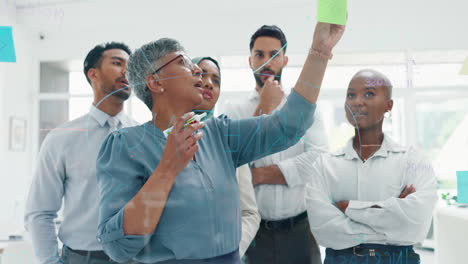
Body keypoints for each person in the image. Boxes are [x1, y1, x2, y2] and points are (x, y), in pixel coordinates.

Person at [96, 22, 345, 264]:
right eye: (183, 63)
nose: (197, 71)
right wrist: (167, 169)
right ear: (155, 82)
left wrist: (320, 52)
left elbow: (289, 126)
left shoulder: (220, 134)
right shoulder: (125, 146)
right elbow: (118, 246)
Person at [299, 69, 438, 264]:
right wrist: (392, 216)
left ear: (388, 106)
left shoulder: (413, 161)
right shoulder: (324, 165)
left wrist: (348, 208)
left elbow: (416, 225)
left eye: (369, 94)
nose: (357, 101)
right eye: (351, 95)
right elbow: (323, 230)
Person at [24, 42, 138, 264]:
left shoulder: (141, 136)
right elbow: (40, 211)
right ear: (93, 74)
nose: (127, 71)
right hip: (82, 258)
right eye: (117, 63)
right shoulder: (62, 138)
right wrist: (50, 261)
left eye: (130, 66)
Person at [224, 25, 327, 264]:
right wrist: (264, 110)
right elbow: (229, 165)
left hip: (301, 230)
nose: (266, 62)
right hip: (253, 234)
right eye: (259, 54)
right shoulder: (234, 110)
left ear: (285, 60)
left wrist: (258, 175)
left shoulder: (304, 107)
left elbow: (319, 160)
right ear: (250, 60)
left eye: (274, 55)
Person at [191, 56, 261, 258]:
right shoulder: (165, 139)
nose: (208, 84)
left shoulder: (228, 141)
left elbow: (249, 213)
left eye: (216, 81)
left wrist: (232, 252)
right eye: (201, 75)